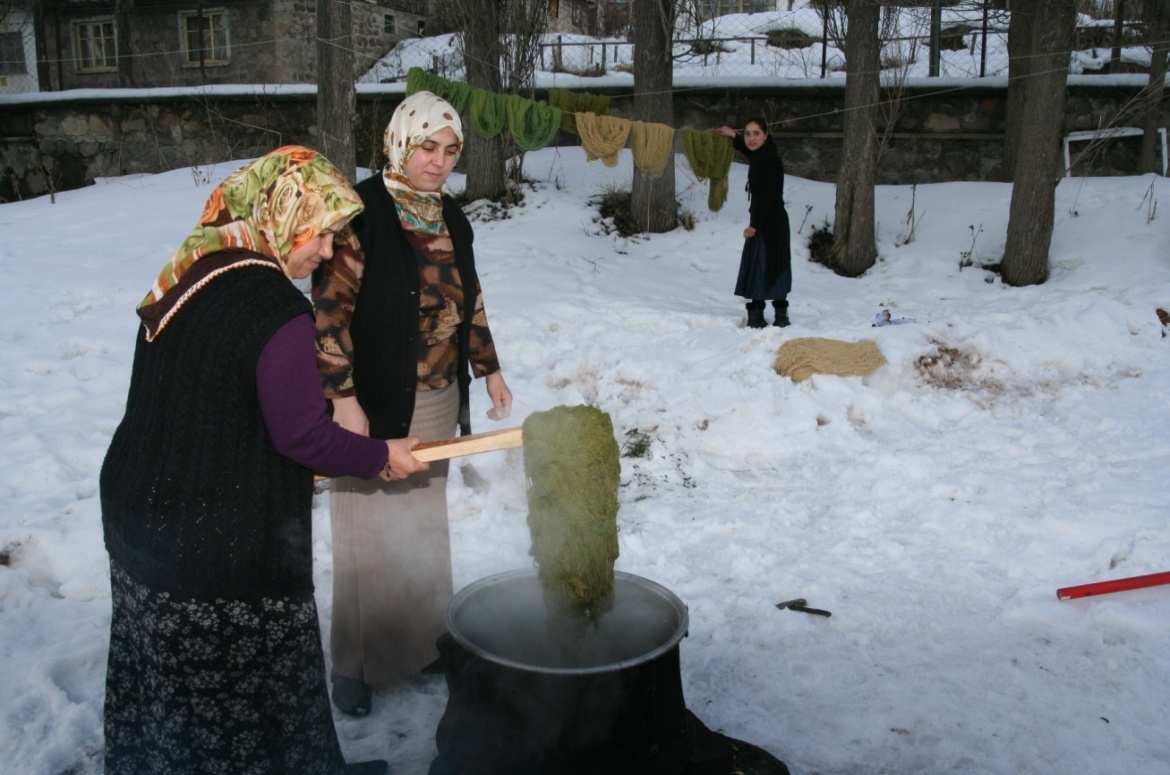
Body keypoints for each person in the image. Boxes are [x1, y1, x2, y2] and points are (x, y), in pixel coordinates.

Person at [99, 146, 427, 775]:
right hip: (212, 544)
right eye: (324, 234)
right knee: (247, 697)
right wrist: (379, 454)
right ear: (286, 211)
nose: (326, 254)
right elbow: (301, 436)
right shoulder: (276, 311)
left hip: (140, 517)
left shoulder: (191, 273)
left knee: (172, 698)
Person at [314, 91, 513, 715]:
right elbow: (328, 314)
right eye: (428, 146)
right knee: (366, 532)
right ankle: (356, 662)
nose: (438, 161)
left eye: (450, 150)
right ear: (399, 141)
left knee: (423, 529)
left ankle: (424, 645)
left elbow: (469, 299)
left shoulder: (451, 215)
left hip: (435, 396)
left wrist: (489, 369)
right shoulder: (361, 213)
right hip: (371, 399)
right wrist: (342, 399)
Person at [715, 119, 793, 328]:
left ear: (765, 135)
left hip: (768, 221)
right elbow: (751, 152)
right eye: (748, 133)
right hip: (772, 219)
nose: (751, 138)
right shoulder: (764, 153)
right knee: (772, 264)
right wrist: (734, 136)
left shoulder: (768, 160)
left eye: (756, 133)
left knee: (764, 265)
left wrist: (754, 226)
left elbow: (767, 196)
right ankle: (779, 315)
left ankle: (760, 317)